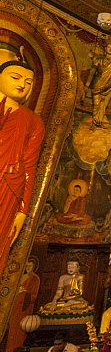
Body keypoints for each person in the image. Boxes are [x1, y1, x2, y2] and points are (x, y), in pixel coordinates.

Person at [0, 60, 45, 279]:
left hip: (9, 186)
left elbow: (29, 166)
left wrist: (22, 210)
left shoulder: (33, 121)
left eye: (28, 82)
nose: (23, 85)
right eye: (15, 77)